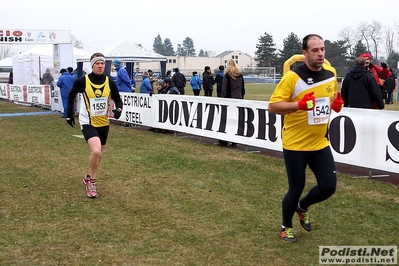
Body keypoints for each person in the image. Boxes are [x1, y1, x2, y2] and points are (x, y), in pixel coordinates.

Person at [268, 34, 344, 243]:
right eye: (315, 50)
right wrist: (299, 105)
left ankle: (302, 207)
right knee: (296, 186)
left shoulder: (331, 73)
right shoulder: (293, 77)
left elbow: (331, 100)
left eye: (322, 49)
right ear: (305, 53)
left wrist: (336, 105)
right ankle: (286, 225)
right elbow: (273, 106)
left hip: (319, 142)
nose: (320, 54)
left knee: (329, 187)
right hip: (295, 144)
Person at [66, 52, 123, 198]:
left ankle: (88, 176)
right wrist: (69, 113)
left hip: (103, 123)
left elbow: (117, 98)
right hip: (87, 122)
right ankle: (92, 182)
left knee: (98, 155)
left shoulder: (110, 81)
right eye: (97, 63)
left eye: (102, 63)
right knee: (96, 152)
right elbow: (72, 94)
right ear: (92, 65)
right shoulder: (83, 81)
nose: (100, 66)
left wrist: (118, 109)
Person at [215, 60, 245, 147]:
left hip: (229, 99)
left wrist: (223, 99)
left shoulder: (227, 75)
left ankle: (223, 140)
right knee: (236, 120)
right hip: (238, 99)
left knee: (225, 120)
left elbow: (225, 89)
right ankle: (235, 140)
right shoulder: (240, 75)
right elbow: (242, 88)